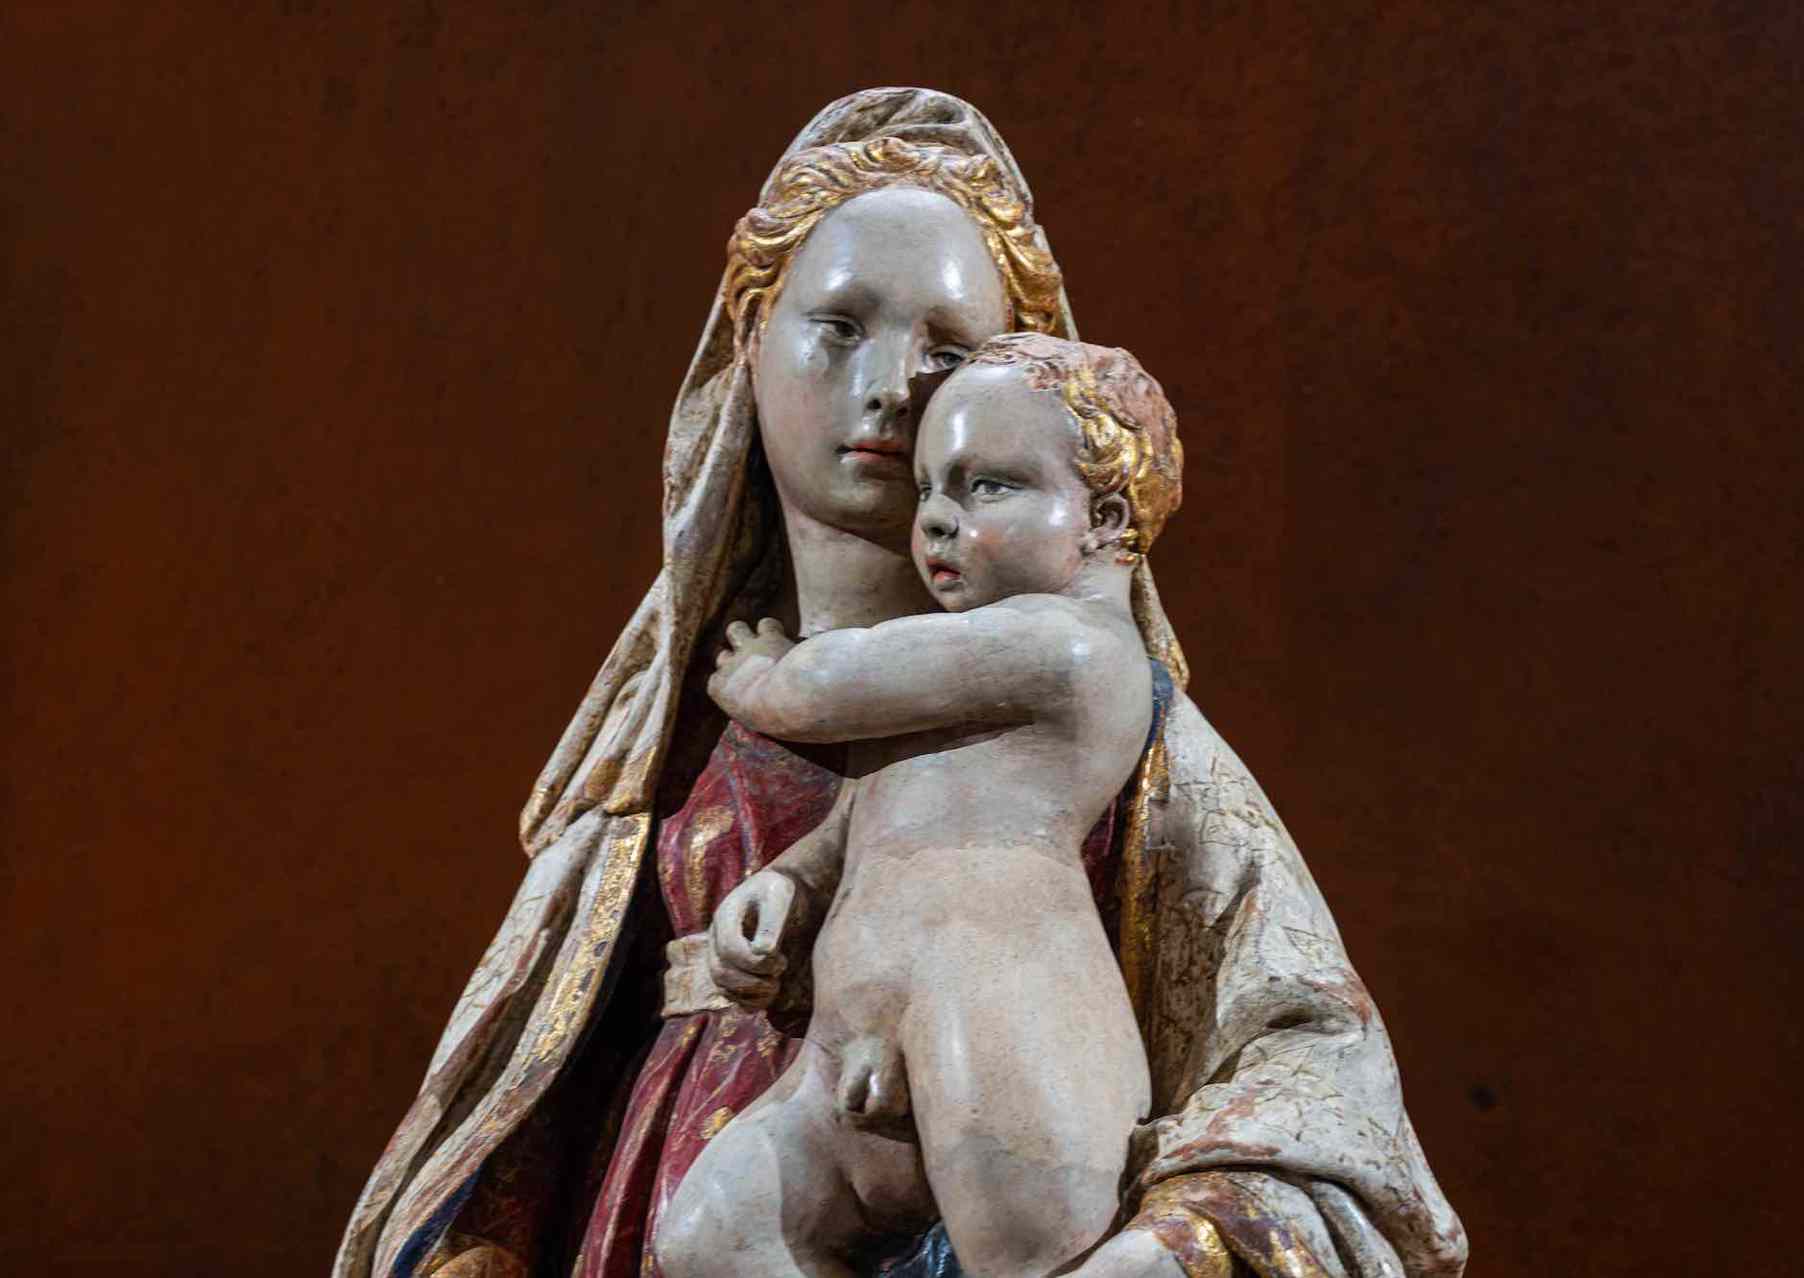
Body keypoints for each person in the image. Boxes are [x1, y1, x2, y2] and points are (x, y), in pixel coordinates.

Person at [335, 88, 1466, 1278]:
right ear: (748, 344)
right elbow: (517, 1115)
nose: (891, 387)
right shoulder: (660, 756)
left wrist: (1176, 1250)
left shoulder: (1098, 711)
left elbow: (1314, 1062)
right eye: (838, 327)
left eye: (950, 352)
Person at [656, 335, 1179, 1277]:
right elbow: (875, 812)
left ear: (1104, 517)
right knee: (711, 1236)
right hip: (841, 1042)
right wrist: (791, 884)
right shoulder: (958, 674)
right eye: (929, 488)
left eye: (987, 487)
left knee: (1026, 1260)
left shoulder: (1073, 648)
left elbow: (826, 685)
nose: (935, 519)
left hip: (997, 1013)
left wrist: (762, 676)